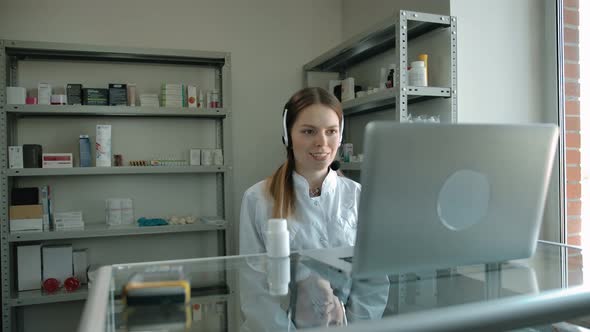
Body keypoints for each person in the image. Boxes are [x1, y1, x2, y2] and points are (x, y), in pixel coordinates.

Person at [239, 86, 360, 255]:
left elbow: (375, 274)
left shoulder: (359, 195)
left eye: (331, 131)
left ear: (339, 137)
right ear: (288, 136)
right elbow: (252, 273)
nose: (322, 142)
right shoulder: (257, 198)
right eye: (309, 131)